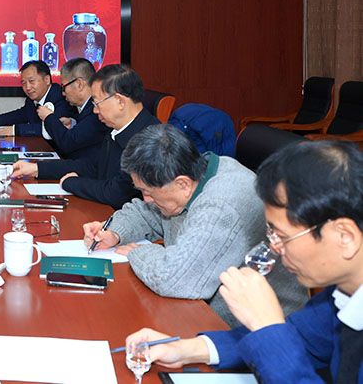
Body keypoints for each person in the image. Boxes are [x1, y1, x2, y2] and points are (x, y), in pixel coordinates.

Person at [124, 140, 362, 383]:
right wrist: (185, 349)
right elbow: (301, 338)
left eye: (282, 236)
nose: (274, 248)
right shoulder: (340, 294)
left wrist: (266, 326)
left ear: (345, 237)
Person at [83, 124, 307, 326]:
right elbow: (146, 212)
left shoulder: (221, 206)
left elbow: (174, 279)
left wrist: (139, 252)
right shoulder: (191, 175)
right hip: (205, 304)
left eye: (148, 192)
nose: (146, 199)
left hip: (257, 325)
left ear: (182, 183)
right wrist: (114, 232)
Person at [13, 63, 157, 208]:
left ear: (120, 102)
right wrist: (37, 168)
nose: (95, 111)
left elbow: (116, 193)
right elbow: (92, 166)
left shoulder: (151, 140)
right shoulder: (116, 130)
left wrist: (72, 183)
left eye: (97, 103)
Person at [10, 58, 106, 179]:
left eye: (64, 87)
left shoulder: (97, 111)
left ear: (79, 84)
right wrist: (72, 123)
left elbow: (68, 143)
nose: (63, 93)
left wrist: (49, 117)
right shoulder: (86, 108)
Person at [0, 60, 66, 138]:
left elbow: (53, 127)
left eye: (31, 81)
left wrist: (14, 130)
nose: (28, 87)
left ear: (47, 79)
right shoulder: (32, 100)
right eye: (23, 83)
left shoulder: (60, 97)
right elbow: (20, 115)